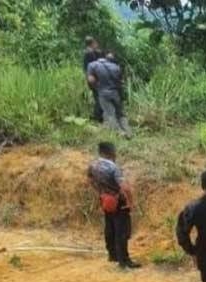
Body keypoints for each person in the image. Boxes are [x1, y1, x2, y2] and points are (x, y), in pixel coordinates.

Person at [87, 141, 139, 270]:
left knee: (109, 228)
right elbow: (124, 187)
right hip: (118, 202)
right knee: (121, 231)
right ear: (111, 152)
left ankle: (112, 255)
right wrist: (130, 202)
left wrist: (101, 193)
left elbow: (89, 180)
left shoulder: (93, 165)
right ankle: (124, 261)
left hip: (105, 200)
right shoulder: (113, 167)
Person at [87, 51, 132, 138]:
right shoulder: (116, 67)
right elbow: (121, 82)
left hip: (103, 93)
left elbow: (91, 80)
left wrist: (96, 88)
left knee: (110, 113)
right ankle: (128, 132)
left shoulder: (92, 65)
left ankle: (120, 133)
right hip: (115, 93)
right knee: (120, 113)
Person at [82, 37, 103, 123]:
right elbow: (90, 66)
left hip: (92, 77)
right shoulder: (89, 53)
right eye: (95, 43)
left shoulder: (90, 52)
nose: (97, 44)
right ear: (92, 43)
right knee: (99, 97)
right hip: (93, 78)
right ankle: (97, 117)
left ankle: (98, 116)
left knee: (98, 96)